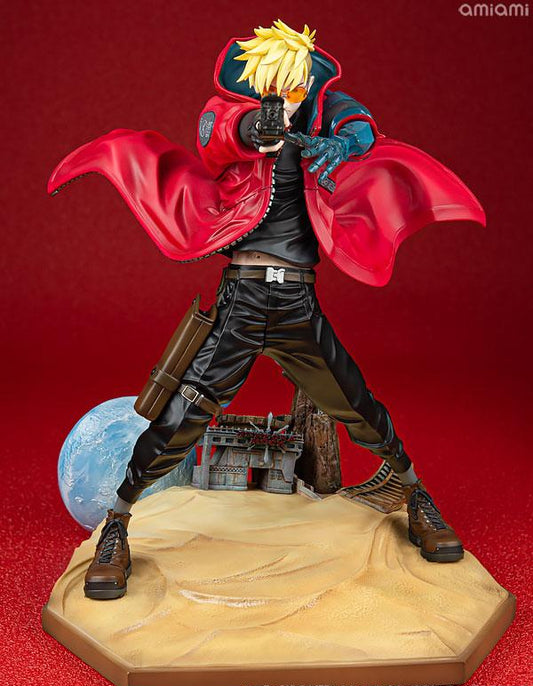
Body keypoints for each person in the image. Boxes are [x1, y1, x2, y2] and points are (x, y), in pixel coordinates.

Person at [49, 20, 485, 600]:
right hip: (244, 298)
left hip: (298, 300)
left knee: (357, 403)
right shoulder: (236, 114)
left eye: (297, 87)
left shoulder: (322, 114)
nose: (289, 98)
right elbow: (215, 134)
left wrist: (341, 144)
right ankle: (118, 522)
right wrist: (254, 127)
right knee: (180, 417)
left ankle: (415, 494)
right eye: (276, 87)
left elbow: (361, 126)